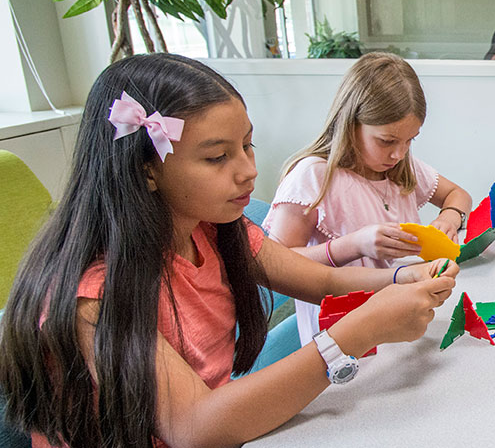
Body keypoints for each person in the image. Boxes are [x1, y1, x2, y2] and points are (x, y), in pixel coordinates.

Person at [0, 53, 457, 446]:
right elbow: (196, 428)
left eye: (247, 145)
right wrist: (353, 336)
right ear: (146, 171)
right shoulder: (93, 298)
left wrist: (401, 278)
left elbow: (324, 281)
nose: (248, 171)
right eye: (217, 157)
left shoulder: (216, 229)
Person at [266, 52, 472, 345]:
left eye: (410, 140)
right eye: (387, 141)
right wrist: (352, 245)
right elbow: (278, 265)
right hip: (343, 339)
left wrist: (449, 216)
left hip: (400, 324)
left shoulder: (402, 168)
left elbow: (458, 194)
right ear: (351, 124)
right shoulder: (314, 178)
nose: (399, 153)